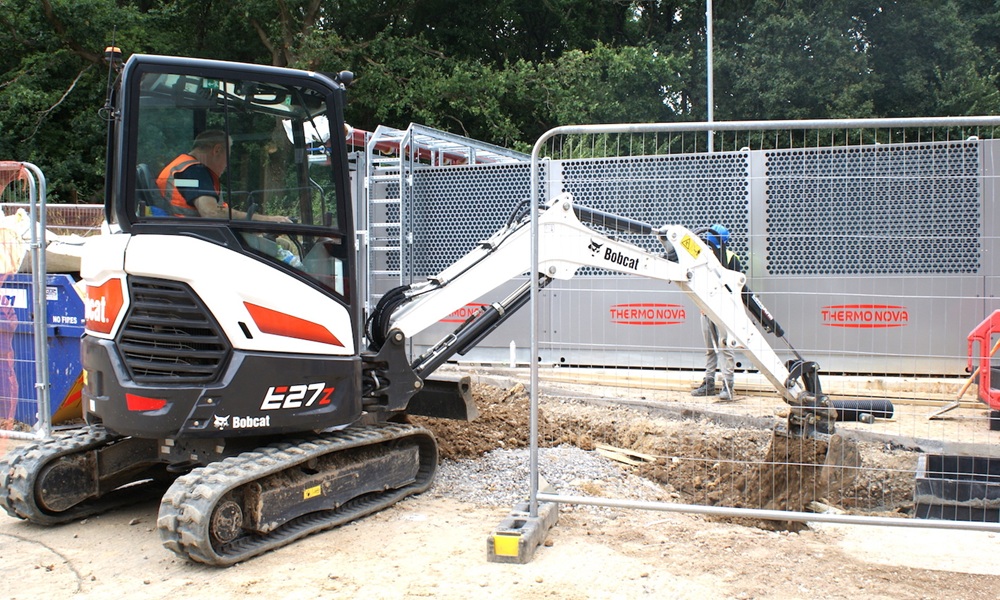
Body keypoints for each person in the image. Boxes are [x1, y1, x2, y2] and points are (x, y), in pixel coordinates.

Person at [156, 130, 290, 222]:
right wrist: (266, 220)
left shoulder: (182, 169)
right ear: (217, 150)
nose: (227, 165)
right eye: (227, 157)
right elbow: (211, 213)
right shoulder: (194, 172)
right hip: (195, 238)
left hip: (187, 234)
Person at [691, 224, 742, 402]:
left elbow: (736, 288)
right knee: (710, 349)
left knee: (725, 347)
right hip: (706, 309)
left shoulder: (731, 259)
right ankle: (709, 382)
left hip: (725, 311)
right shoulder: (702, 257)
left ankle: (728, 386)